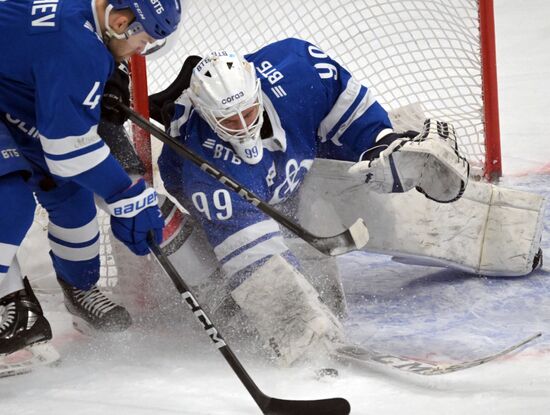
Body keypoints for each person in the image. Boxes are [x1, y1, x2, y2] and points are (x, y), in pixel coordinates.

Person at [156, 38, 470, 366]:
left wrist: (379, 141)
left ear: (257, 89)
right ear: (208, 115)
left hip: (299, 157)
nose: (245, 126)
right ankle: (225, 290)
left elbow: (344, 104)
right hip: (237, 199)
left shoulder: (296, 68)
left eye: (248, 112)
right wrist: (298, 323)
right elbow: (257, 263)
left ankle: (401, 145)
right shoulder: (207, 175)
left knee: (373, 154)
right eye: (230, 122)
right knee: (264, 308)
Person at [0, 0, 181, 356]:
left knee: (74, 200)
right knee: (10, 203)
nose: (139, 51)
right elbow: (67, 149)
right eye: (142, 41)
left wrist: (110, 80)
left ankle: (79, 289)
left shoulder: (86, 20)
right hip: (14, 108)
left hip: (17, 103)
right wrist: (124, 194)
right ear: (119, 21)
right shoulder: (76, 44)